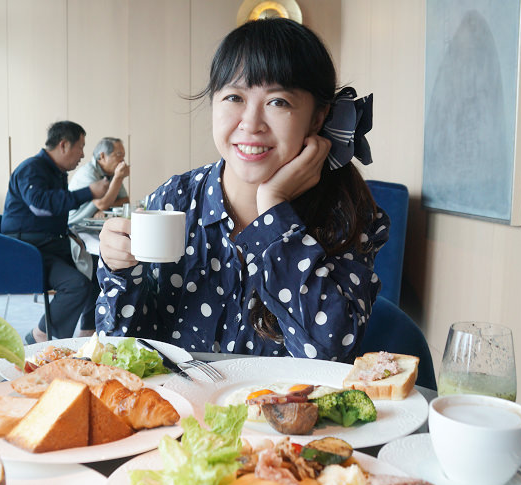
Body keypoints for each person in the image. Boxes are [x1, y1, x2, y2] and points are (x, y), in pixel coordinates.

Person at [95, 18, 388, 362]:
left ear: (317, 117)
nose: (250, 123)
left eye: (278, 102)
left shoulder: (347, 215)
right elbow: (117, 351)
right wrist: (119, 271)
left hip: (279, 414)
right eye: (234, 97)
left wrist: (275, 212)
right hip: (177, 412)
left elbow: (331, 356)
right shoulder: (173, 201)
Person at [1, 121, 109, 343]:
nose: (82, 154)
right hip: (29, 251)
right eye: (80, 147)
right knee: (76, 285)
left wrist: (70, 235)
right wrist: (89, 191)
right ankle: (39, 335)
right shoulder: (31, 169)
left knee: (99, 269)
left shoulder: (55, 172)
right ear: (63, 145)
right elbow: (40, 206)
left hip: (50, 245)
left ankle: (87, 333)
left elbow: (53, 214)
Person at [67, 137, 131, 226]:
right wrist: (118, 178)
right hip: (75, 226)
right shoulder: (88, 172)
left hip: (93, 225)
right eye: (119, 155)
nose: (123, 161)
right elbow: (102, 203)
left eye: (123, 156)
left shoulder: (112, 173)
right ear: (102, 156)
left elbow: (125, 201)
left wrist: (103, 209)